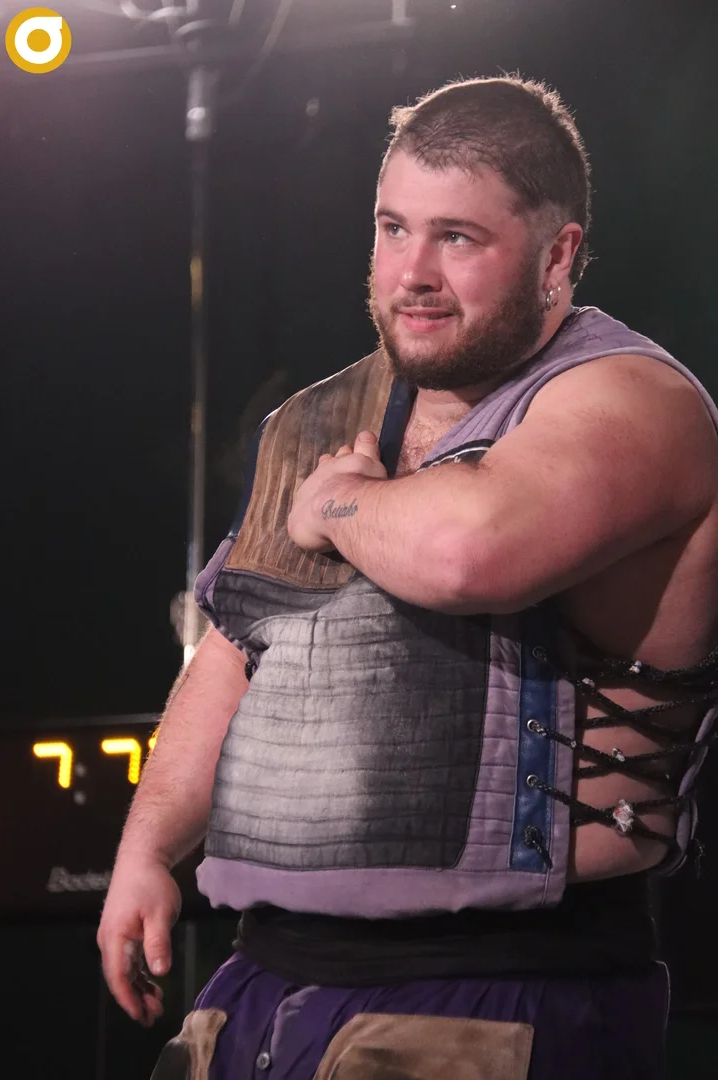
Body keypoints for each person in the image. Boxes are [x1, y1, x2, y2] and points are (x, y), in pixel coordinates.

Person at [98, 76, 718, 1080]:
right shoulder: (315, 419)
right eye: (393, 229)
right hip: (258, 984)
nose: (412, 273)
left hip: (505, 991)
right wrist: (145, 851)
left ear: (558, 254)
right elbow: (236, 649)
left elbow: (470, 554)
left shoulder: (634, 399)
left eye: (457, 238)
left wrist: (336, 505)